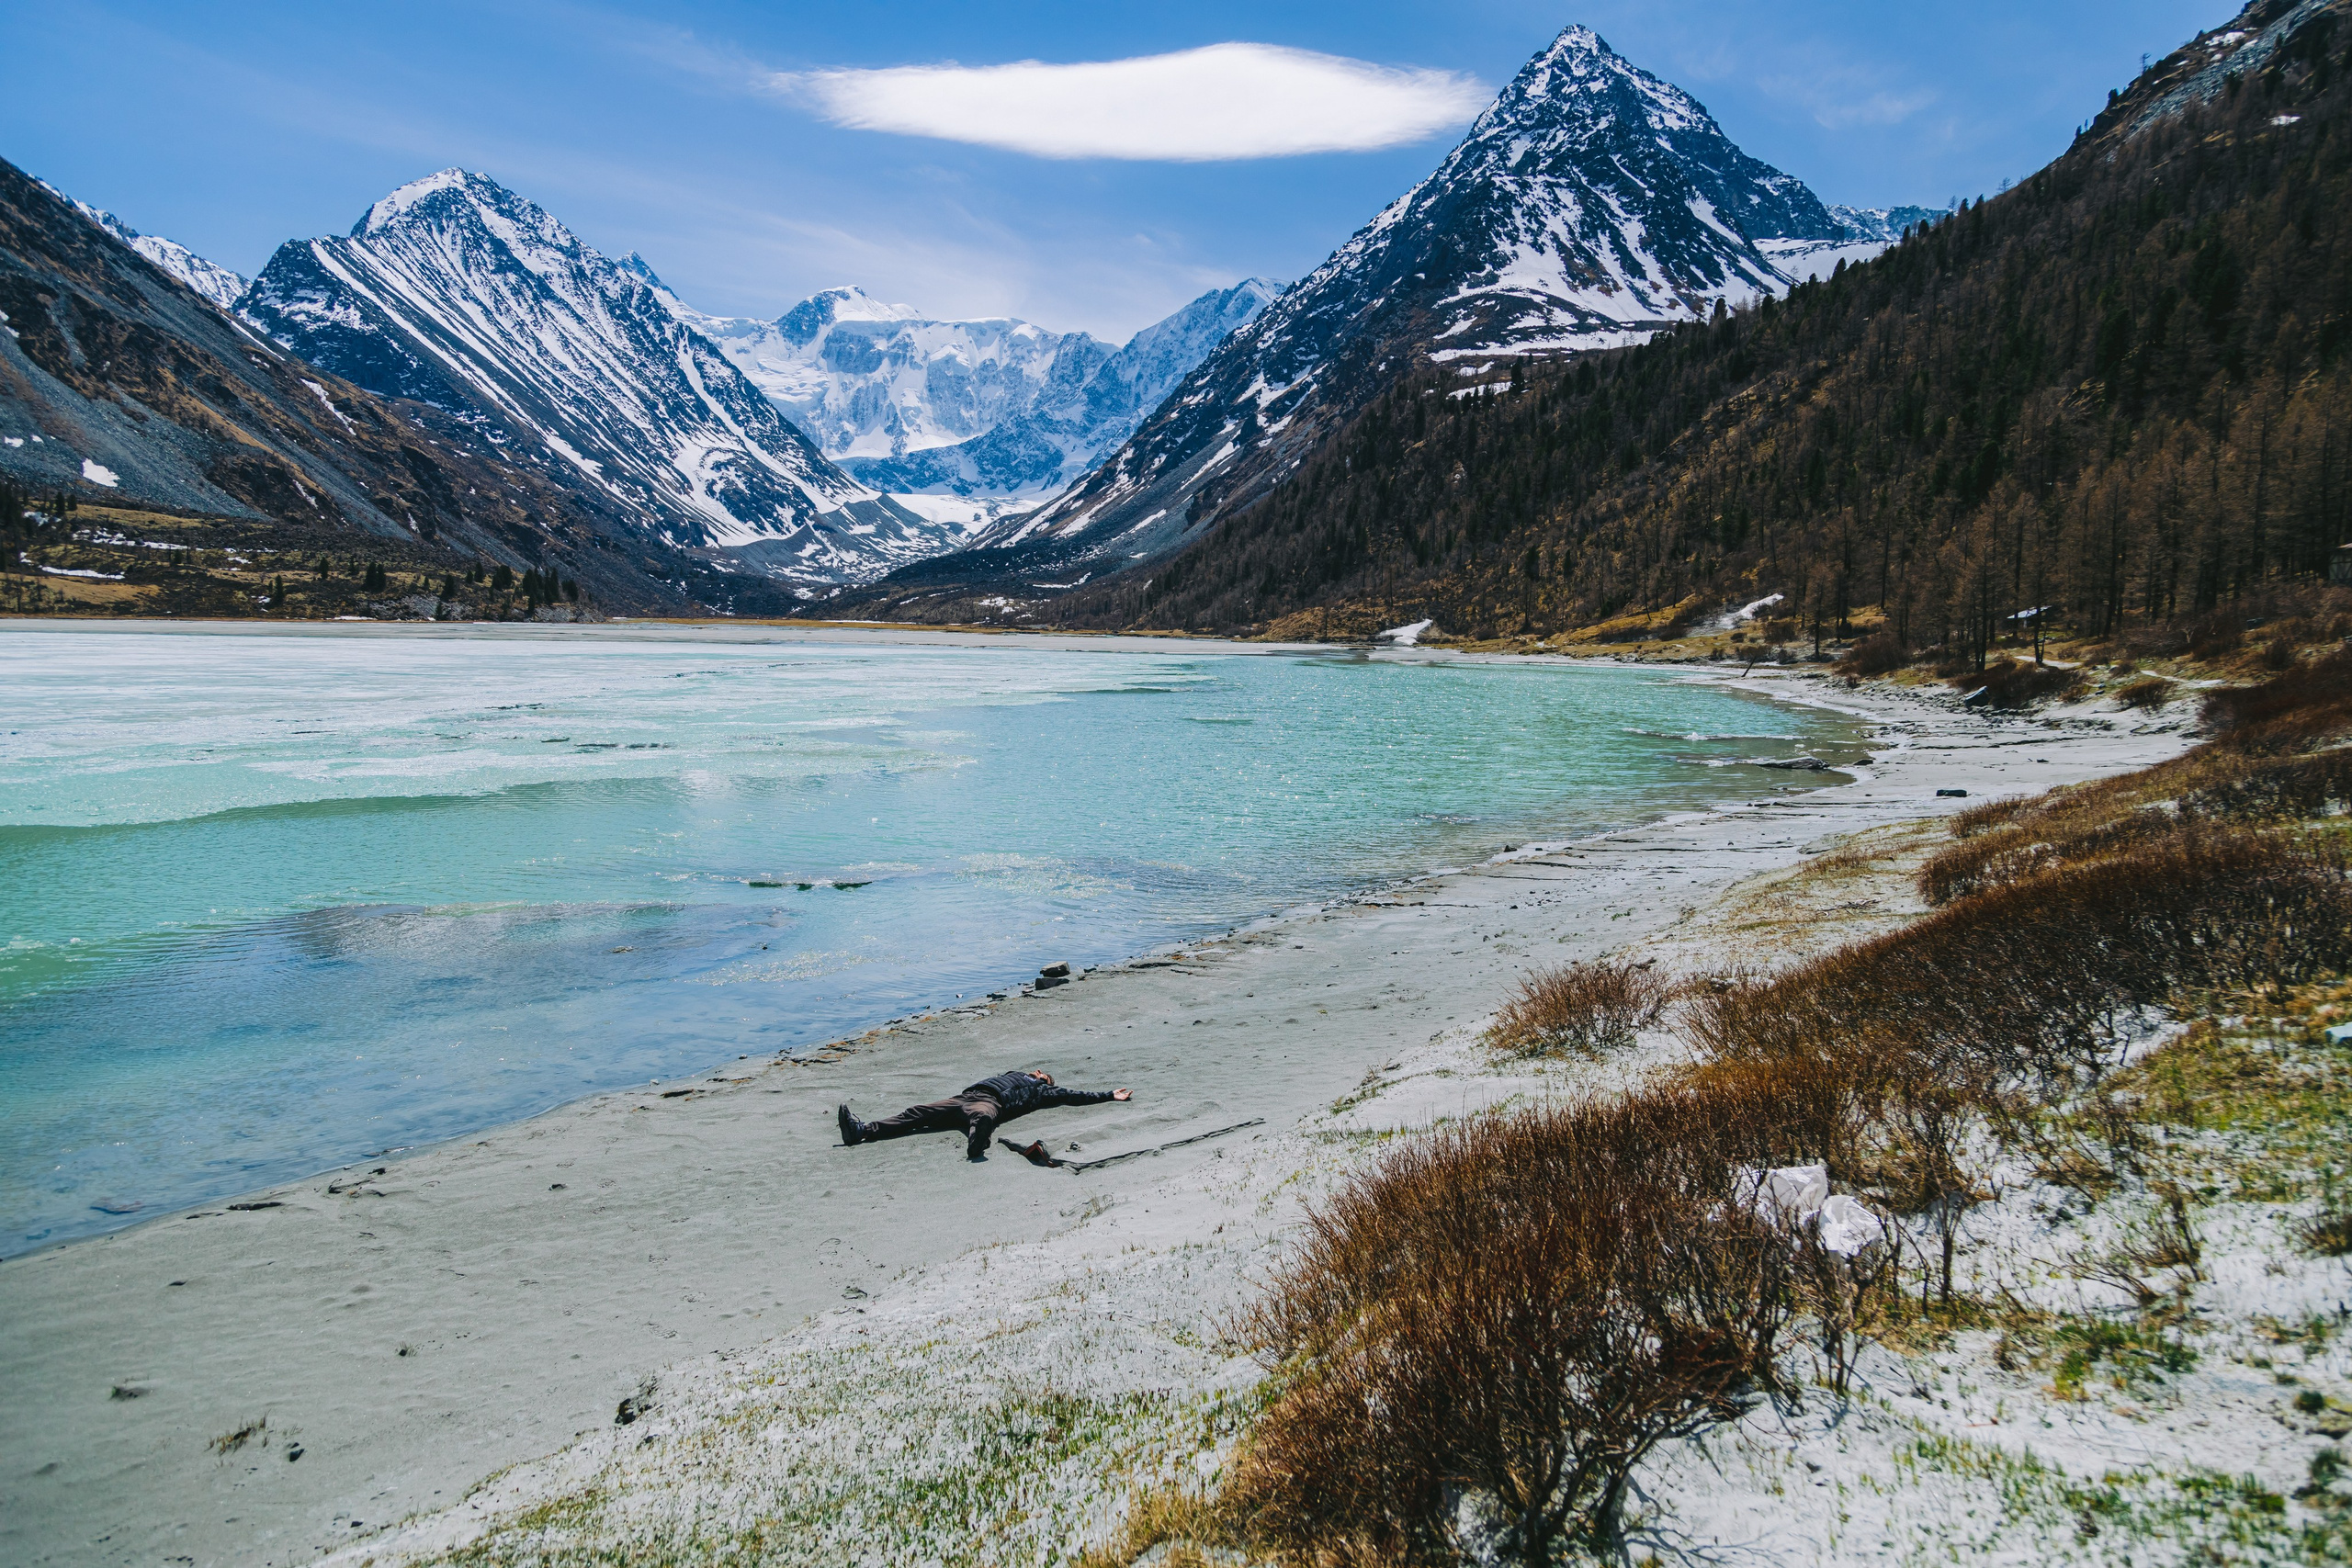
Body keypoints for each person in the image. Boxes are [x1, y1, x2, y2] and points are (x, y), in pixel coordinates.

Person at [837, 1069, 1132, 1161]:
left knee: (982, 1119)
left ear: (1045, 1080)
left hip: (991, 1104)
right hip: (964, 1097)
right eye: (1040, 1073)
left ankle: (977, 1143)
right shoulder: (1014, 1073)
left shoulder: (1043, 1091)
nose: (1039, 1073)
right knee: (917, 1113)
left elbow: (1073, 1096)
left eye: (1044, 1076)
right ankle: (861, 1131)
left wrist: (1108, 1095)